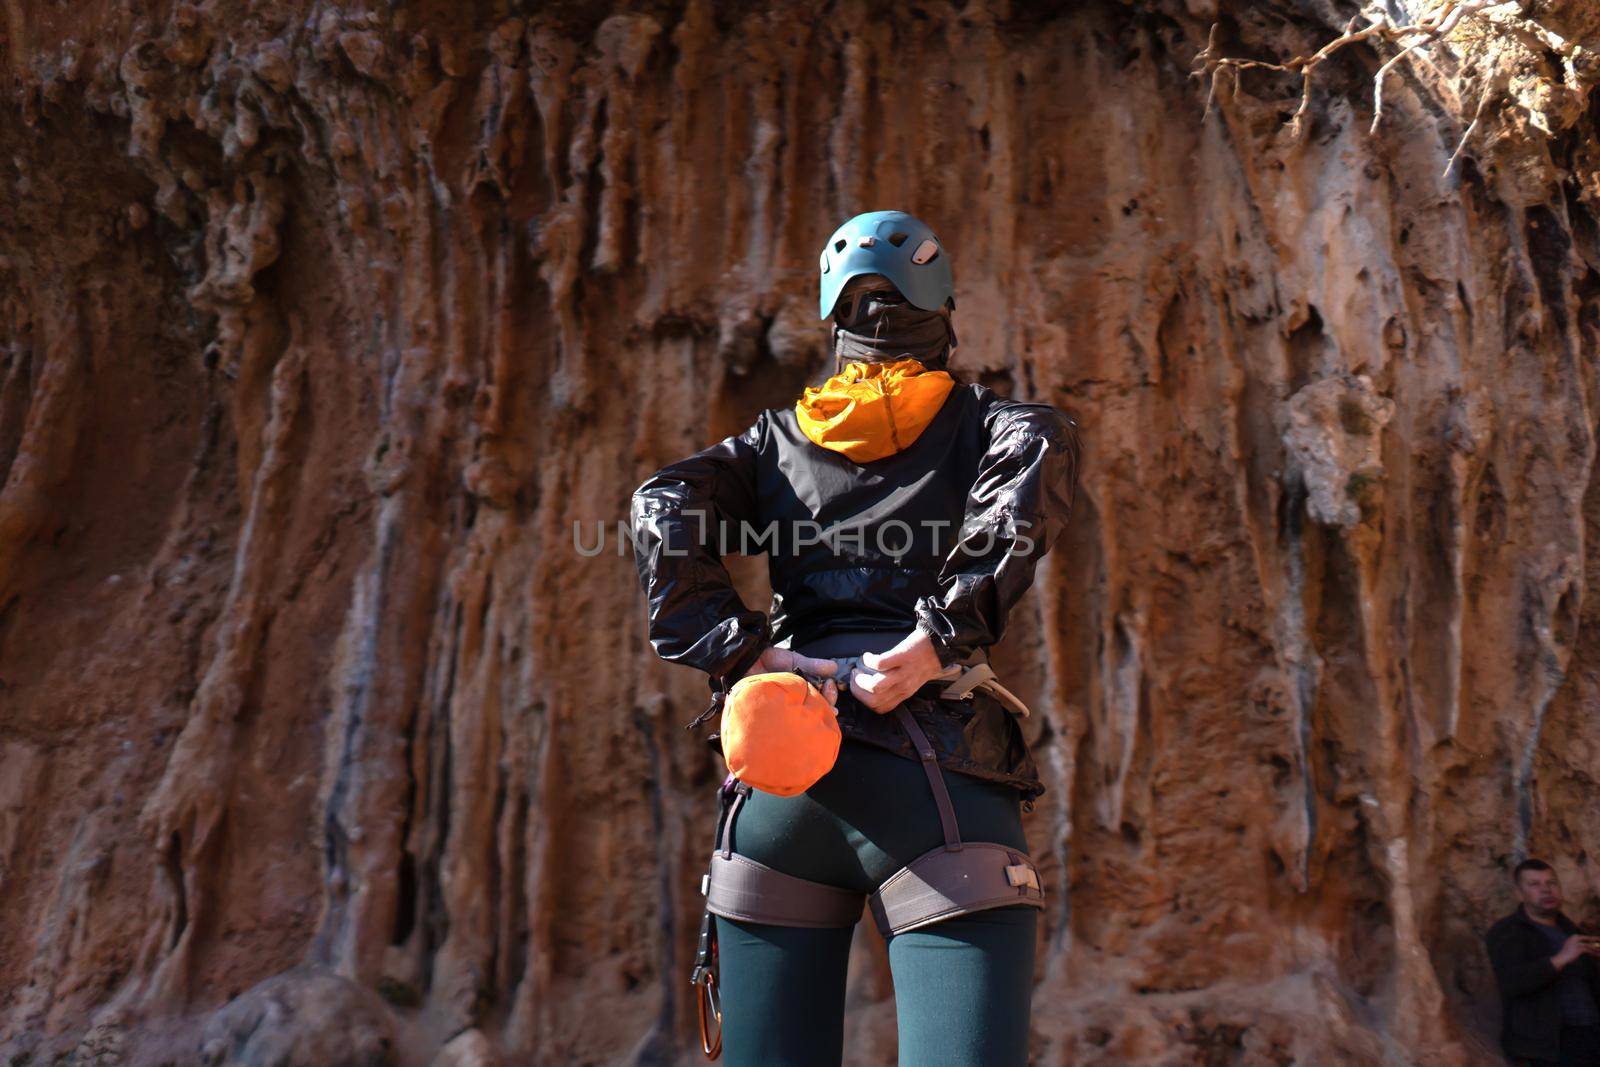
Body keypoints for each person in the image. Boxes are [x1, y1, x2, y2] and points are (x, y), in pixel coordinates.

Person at [630, 209, 1080, 1066]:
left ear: (834, 321)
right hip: (936, 783)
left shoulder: (772, 443)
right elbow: (1040, 454)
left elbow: (659, 504)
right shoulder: (996, 427)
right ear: (943, 313)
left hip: (782, 785)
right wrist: (936, 642)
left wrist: (745, 653)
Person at [1485, 858, 1600, 1066]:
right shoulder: (1507, 932)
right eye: (1535, 884)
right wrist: (1560, 958)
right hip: (1548, 1047)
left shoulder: (1571, 930)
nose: (1546, 890)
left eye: (1551, 883)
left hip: (1590, 1035)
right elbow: (1512, 983)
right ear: (1519, 894)